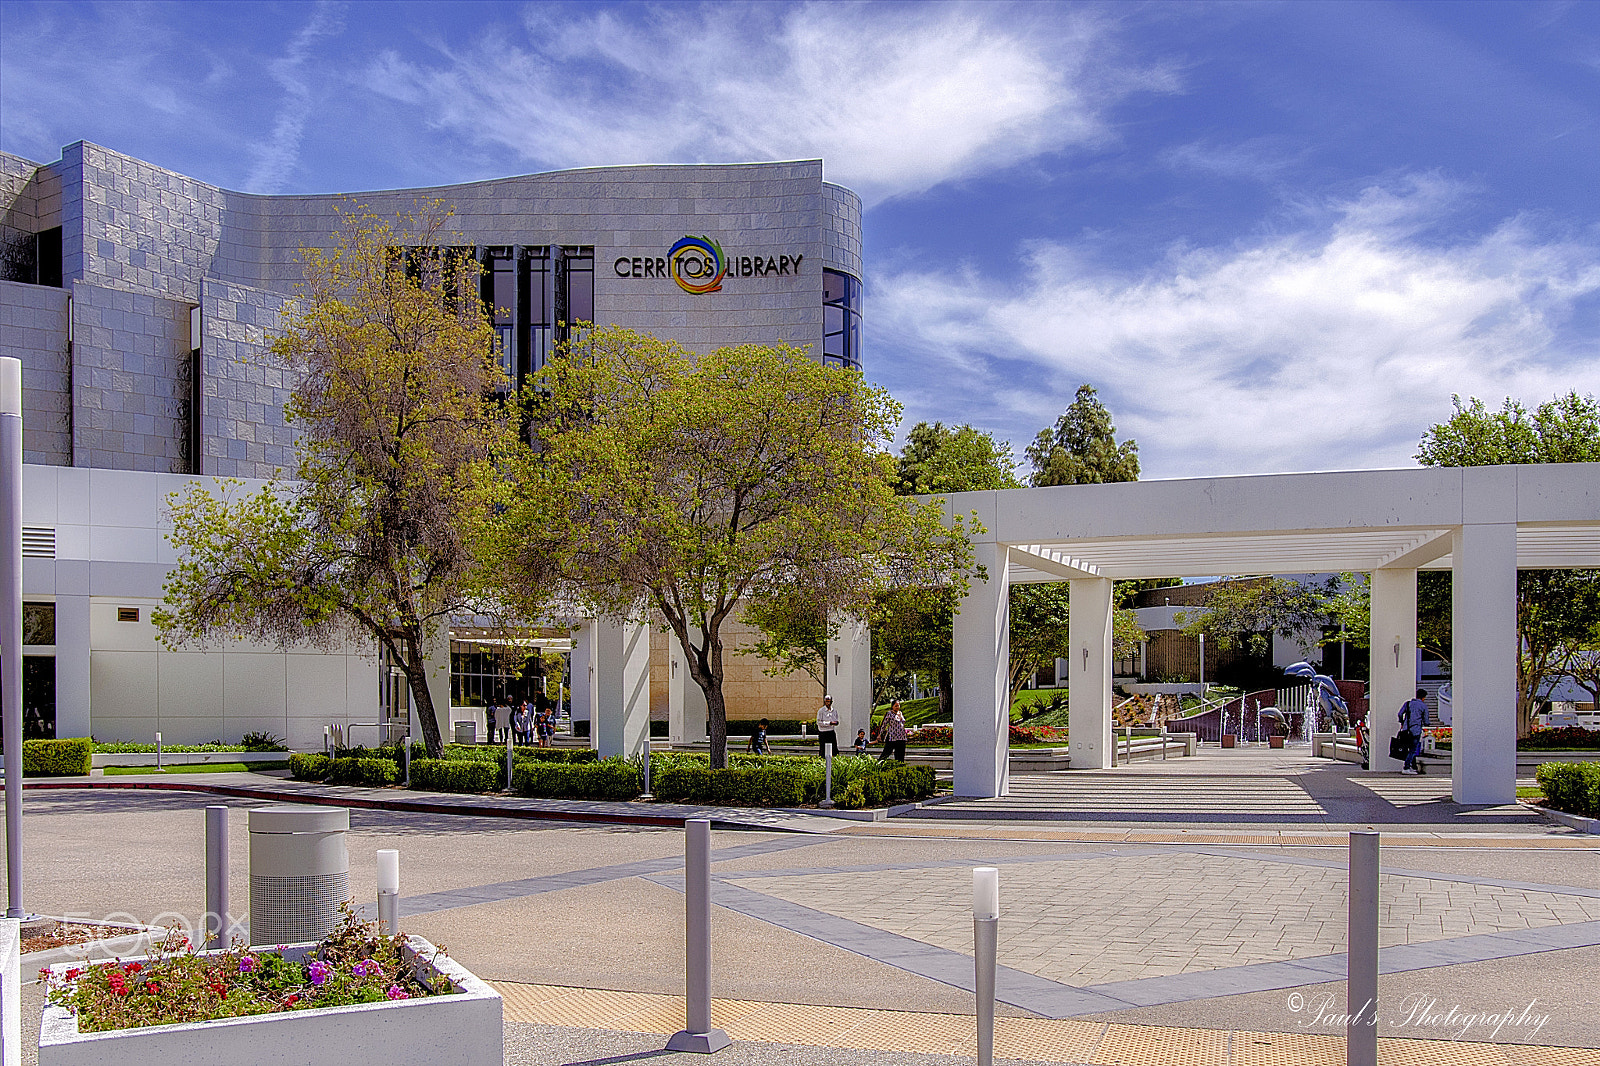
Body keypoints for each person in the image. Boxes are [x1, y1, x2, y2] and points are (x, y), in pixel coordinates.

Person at [1398, 688, 1429, 774]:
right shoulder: (1423, 706)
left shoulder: (1408, 704)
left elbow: (1400, 714)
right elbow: (1426, 721)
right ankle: (1406, 767)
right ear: (1423, 697)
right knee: (1413, 749)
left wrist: (1402, 722)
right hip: (1416, 730)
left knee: (1407, 748)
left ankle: (1414, 767)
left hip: (1406, 730)